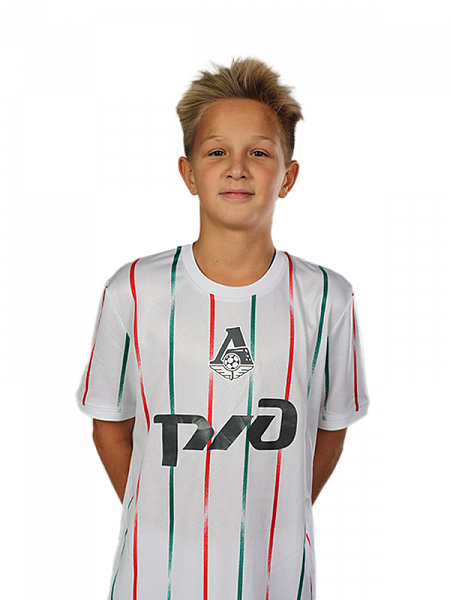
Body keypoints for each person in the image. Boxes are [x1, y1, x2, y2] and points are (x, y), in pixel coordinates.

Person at [75, 52, 370, 600]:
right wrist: (163, 516)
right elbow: (109, 427)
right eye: (217, 152)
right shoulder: (132, 289)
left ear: (288, 176)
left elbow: (331, 429)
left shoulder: (328, 297)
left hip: (276, 579)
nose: (237, 168)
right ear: (188, 172)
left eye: (259, 152)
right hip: (153, 580)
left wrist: (272, 518)